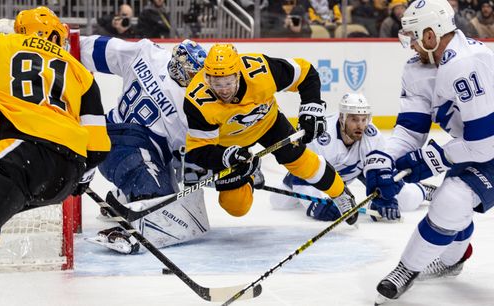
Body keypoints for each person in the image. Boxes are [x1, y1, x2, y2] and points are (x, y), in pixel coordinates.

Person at [0, 6, 110, 291]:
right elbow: (97, 147)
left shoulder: (2, 44)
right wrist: (79, 180)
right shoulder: (81, 72)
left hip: (23, 153)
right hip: (65, 175)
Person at [365, 0, 492, 303]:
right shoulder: (419, 68)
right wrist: (382, 160)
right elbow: (411, 129)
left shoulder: (466, 62)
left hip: (487, 145)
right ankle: (434, 264)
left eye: (411, 35)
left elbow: (485, 142)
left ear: (431, 34)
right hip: (479, 149)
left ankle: (421, 265)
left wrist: (432, 159)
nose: (409, 44)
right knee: (452, 200)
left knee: (453, 199)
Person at [183, 43, 359, 225]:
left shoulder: (261, 69)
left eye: (228, 82)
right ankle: (250, 175)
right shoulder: (197, 100)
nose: (224, 90)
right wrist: (227, 157)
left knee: (299, 161)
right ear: (207, 78)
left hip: (268, 123)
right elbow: (198, 150)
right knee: (236, 207)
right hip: (229, 144)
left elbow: (306, 72)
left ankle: (340, 193)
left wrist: (311, 108)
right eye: (217, 84)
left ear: (238, 74)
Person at [79, 35, 211, 254]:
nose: (194, 79)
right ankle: (133, 218)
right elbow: (196, 166)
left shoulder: (148, 53)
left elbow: (93, 48)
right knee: (162, 210)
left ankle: (125, 199)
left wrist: (63, 43)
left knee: (175, 209)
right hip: (122, 139)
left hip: (117, 138)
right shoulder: (194, 107)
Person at [270, 93, 436, 222]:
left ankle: (423, 190)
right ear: (342, 118)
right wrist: (315, 206)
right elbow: (303, 178)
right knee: (278, 202)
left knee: (405, 200)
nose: (360, 125)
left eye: (364, 119)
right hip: (314, 176)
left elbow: (384, 173)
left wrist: (385, 198)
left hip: (356, 172)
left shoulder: (373, 137)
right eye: (354, 119)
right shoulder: (321, 136)